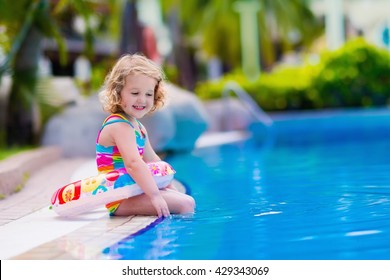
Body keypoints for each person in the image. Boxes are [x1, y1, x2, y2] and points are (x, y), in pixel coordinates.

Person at [97, 53, 195, 218]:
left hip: (132, 191)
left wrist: (168, 185)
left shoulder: (139, 128)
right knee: (186, 204)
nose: (142, 99)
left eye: (148, 94)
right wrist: (155, 196)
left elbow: (153, 160)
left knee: (184, 199)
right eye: (135, 93)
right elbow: (133, 164)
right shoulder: (119, 125)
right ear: (118, 93)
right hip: (119, 198)